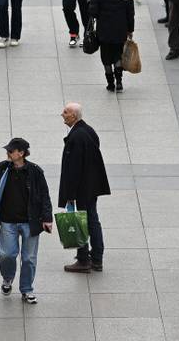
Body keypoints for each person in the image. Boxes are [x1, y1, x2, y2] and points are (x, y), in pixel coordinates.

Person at [0, 138, 53, 301]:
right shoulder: (3, 168)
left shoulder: (35, 171)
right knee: (6, 254)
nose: (7, 153)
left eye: (10, 151)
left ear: (21, 153)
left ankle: (27, 289)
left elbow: (44, 195)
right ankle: (7, 278)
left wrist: (47, 218)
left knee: (29, 258)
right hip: (8, 220)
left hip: (31, 221)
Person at [58, 103, 110, 273]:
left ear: (74, 116)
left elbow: (74, 168)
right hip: (91, 186)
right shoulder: (88, 130)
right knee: (92, 220)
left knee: (81, 222)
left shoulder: (77, 136)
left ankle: (83, 259)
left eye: (65, 112)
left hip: (81, 189)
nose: (62, 114)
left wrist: (70, 194)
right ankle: (97, 258)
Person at [88, 0, 135, 92]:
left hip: (104, 32)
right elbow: (130, 15)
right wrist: (130, 29)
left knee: (106, 57)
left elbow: (93, 12)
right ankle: (119, 81)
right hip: (120, 31)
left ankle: (110, 83)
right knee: (117, 55)